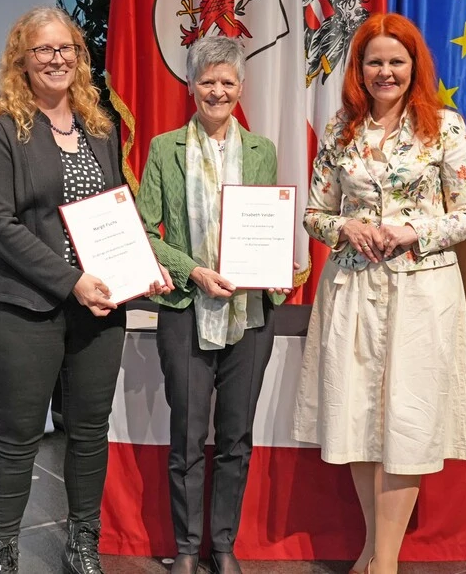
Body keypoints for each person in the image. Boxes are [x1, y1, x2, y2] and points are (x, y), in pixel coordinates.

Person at [0, 6, 171, 574]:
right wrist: (72, 281)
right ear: (23, 60)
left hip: (99, 309)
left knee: (88, 433)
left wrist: (143, 269)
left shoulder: (99, 129)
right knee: (18, 436)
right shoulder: (2, 131)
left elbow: (116, 214)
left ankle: (82, 543)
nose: (56, 60)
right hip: (25, 310)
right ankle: (2, 553)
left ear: (80, 59)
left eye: (66, 49)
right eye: (43, 50)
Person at [292, 12, 466, 574]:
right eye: (374, 61)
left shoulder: (445, 128)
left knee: (407, 417)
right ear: (359, 68)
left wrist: (413, 232)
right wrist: (344, 228)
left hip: (422, 293)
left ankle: (386, 562)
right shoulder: (339, 130)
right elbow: (314, 214)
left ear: (414, 65)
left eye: (396, 61)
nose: (385, 72)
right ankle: (375, 551)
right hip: (352, 289)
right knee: (360, 416)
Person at [135, 36, 293, 574]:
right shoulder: (163, 148)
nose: (217, 91)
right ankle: (185, 547)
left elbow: (267, 225)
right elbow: (144, 231)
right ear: (190, 86)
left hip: (249, 316)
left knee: (235, 437)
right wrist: (193, 271)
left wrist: (275, 270)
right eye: (208, 81)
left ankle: (222, 545)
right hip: (184, 309)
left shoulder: (262, 150)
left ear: (241, 88)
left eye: (227, 82)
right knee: (186, 435)